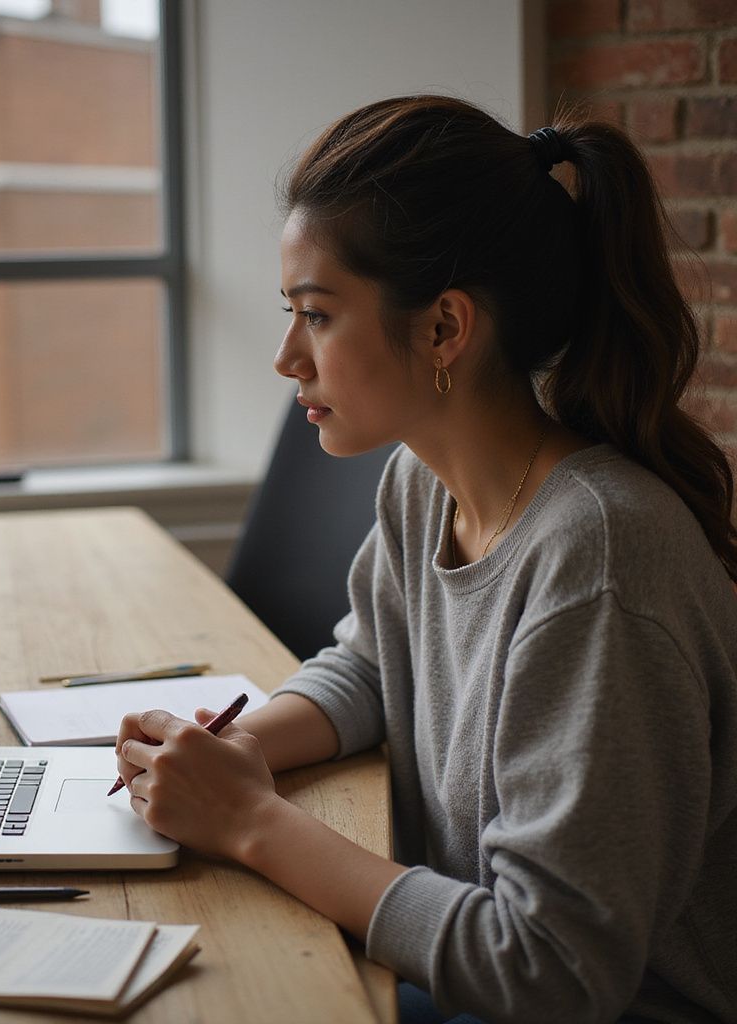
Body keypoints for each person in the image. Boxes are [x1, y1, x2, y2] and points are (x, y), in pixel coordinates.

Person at [114, 95, 737, 1024]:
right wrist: (239, 748)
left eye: (317, 316)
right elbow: (373, 664)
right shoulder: (423, 483)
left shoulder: (597, 560)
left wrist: (248, 819)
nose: (288, 357)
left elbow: (549, 971)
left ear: (445, 328)